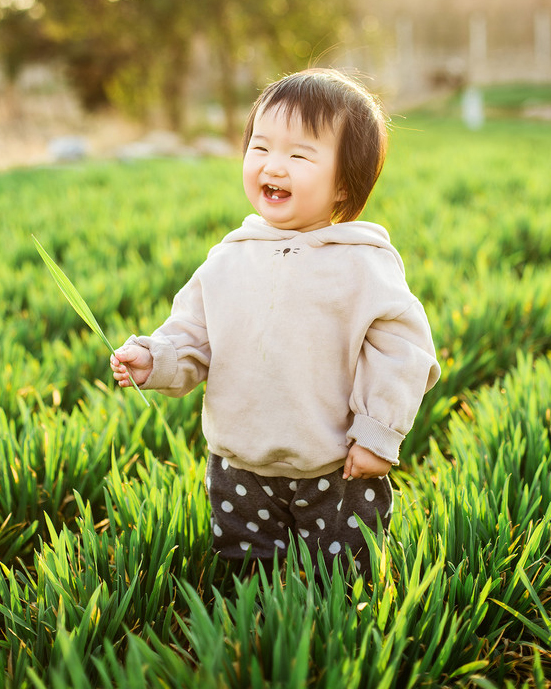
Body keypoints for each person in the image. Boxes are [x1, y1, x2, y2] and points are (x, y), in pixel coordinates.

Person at [110, 68, 440, 577]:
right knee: (247, 571)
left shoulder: (363, 264)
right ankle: (255, 640)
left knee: (343, 579)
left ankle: (334, 646)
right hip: (239, 463)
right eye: (260, 148)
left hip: (337, 466)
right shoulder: (227, 260)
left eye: (299, 154)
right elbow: (193, 336)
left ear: (343, 187)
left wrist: (377, 434)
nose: (273, 166)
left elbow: (401, 351)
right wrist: (156, 358)